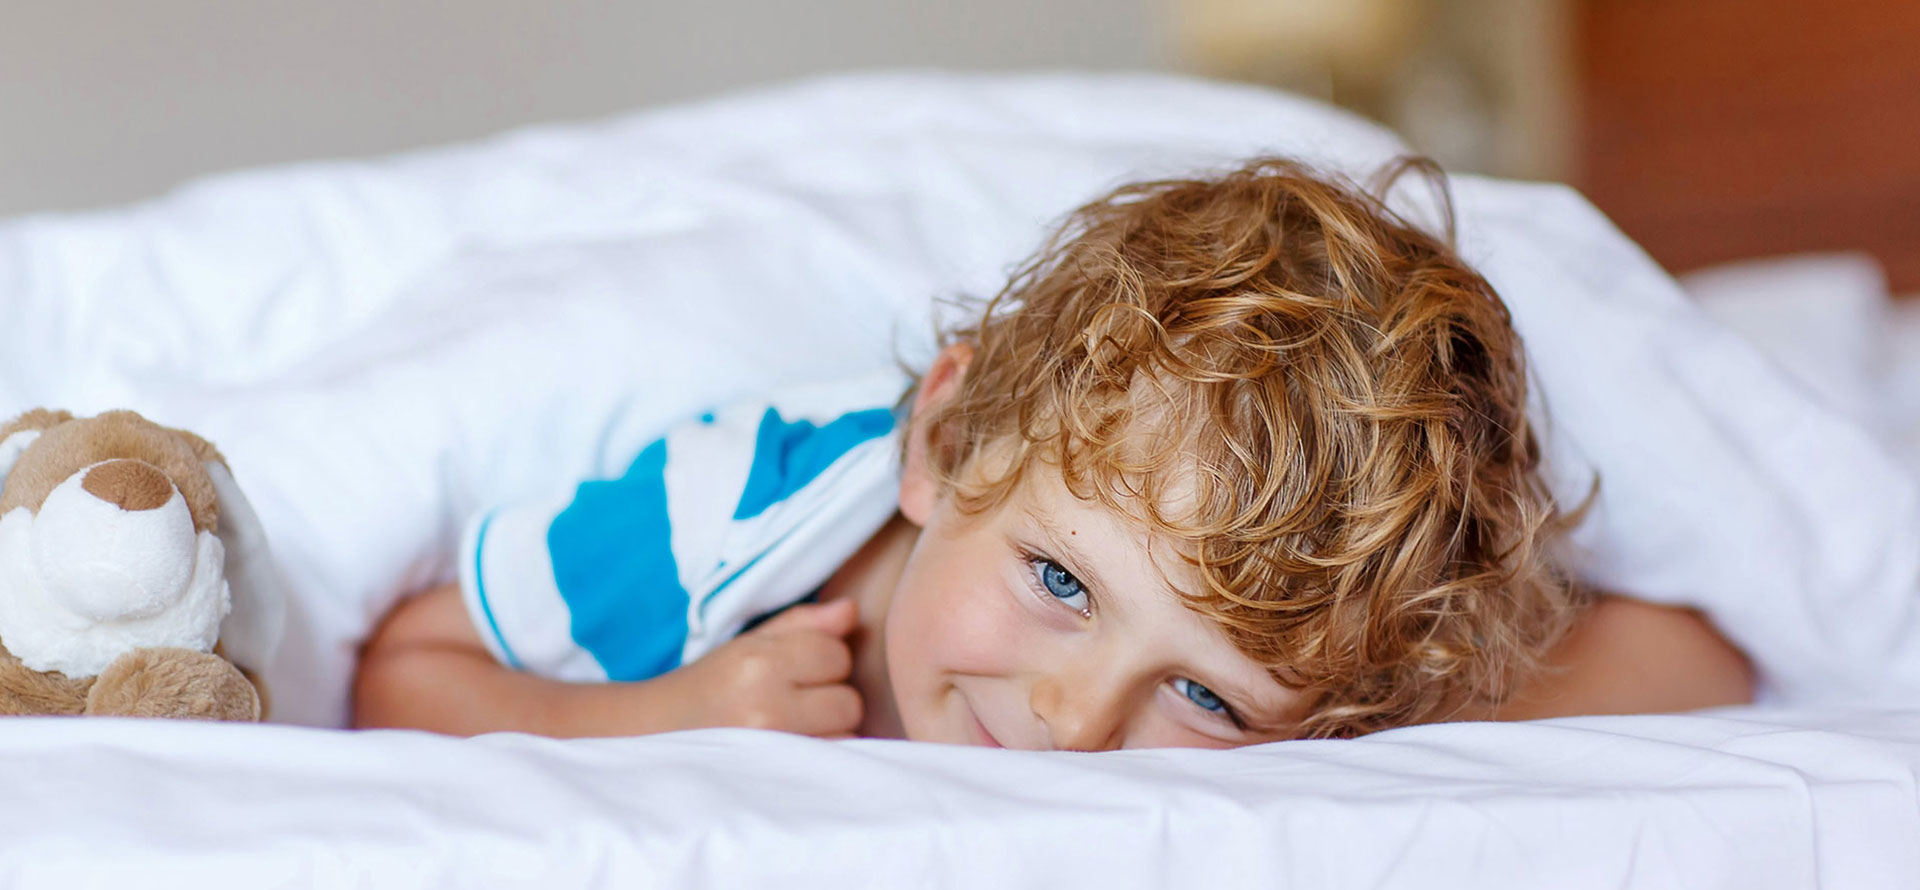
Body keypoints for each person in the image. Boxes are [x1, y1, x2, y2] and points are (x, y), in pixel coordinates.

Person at [351, 157, 1753, 748]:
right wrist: (675, 714)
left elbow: (1704, 657)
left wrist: (1398, 702)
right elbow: (403, 666)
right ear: (947, 441)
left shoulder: (1320, 675)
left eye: (1201, 696)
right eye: (1062, 584)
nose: (1076, 720)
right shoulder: (734, 516)